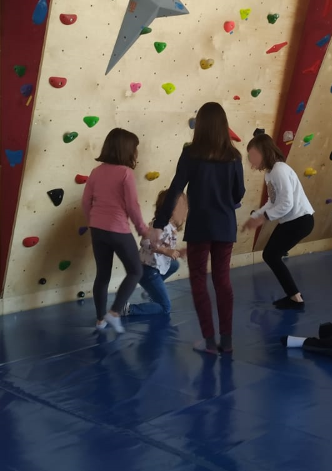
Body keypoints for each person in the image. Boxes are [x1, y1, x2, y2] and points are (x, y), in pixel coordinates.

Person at [151, 102, 245, 355]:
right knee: (222, 280)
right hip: (225, 225)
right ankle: (227, 340)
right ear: (224, 126)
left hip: (200, 226)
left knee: (198, 280)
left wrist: (159, 223)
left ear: (200, 126)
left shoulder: (191, 154)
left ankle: (210, 340)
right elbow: (240, 192)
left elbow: (175, 189)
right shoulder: (234, 156)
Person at [81, 128, 148, 333]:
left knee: (102, 275)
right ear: (126, 150)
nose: (136, 153)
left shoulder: (96, 171)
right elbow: (132, 206)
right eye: (135, 149)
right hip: (117, 229)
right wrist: (142, 229)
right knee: (136, 270)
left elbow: (86, 202)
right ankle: (114, 312)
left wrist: (93, 221)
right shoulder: (125, 173)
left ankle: (100, 320)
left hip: (97, 230)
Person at [242, 133, 314, 311]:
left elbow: (287, 203)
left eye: (253, 155)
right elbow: (273, 201)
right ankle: (295, 296)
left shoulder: (279, 170)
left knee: (271, 255)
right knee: (271, 255)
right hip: (292, 221)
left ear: (263, 152)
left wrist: (263, 218)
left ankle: (295, 298)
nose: (251, 160)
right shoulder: (270, 173)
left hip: (300, 220)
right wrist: (255, 217)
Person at [124, 191, 187, 317]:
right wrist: (164, 251)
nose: (185, 211)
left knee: (174, 265)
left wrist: (178, 252)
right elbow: (145, 241)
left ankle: (150, 290)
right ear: (170, 209)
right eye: (182, 208)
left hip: (153, 267)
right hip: (146, 269)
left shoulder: (171, 227)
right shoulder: (159, 225)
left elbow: (165, 247)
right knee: (165, 307)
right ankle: (128, 309)